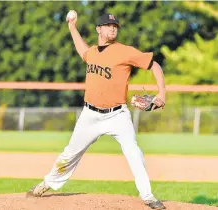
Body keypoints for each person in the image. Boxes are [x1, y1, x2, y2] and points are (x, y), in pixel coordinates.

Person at [27, 11, 166, 210]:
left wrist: (162, 94)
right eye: (108, 25)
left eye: (115, 26)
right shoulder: (92, 52)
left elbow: (155, 66)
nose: (113, 28)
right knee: (69, 154)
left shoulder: (125, 51)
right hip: (90, 115)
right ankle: (47, 183)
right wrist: (72, 27)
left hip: (117, 115)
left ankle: (148, 196)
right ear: (98, 29)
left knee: (134, 153)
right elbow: (82, 50)